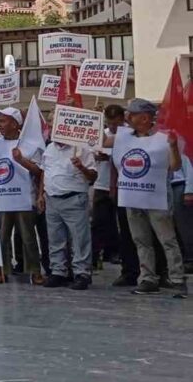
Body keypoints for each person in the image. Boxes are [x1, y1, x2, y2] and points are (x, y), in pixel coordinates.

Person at [105, 98, 186, 297]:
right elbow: (100, 141)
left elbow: (175, 167)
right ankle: (148, 277)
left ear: (144, 117)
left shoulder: (164, 137)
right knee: (140, 239)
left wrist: (174, 147)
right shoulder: (124, 137)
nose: (127, 118)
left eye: (131, 114)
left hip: (156, 196)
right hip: (132, 196)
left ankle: (177, 278)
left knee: (167, 239)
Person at [17, 133, 96, 289]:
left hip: (74, 198)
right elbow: (45, 173)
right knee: (55, 239)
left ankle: (82, 273)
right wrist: (41, 195)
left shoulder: (81, 148)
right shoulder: (50, 148)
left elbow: (93, 175)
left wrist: (81, 167)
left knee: (79, 239)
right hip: (52, 198)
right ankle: (58, 271)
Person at [0, 107, 44, 285]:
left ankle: (35, 271)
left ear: (15, 124)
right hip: (1, 198)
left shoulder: (29, 143)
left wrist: (21, 161)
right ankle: (0, 270)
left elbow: (38, 171)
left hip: (23, 199)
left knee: (28, 238)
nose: (0, 125)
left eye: (3, 121)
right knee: (1, 237)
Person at [91, 106, 125, 278]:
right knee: (99, 222)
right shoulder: (101, 132)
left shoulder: (127, 134)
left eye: (115, 123)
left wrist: (110, 156)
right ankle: (95, 256)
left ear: (122, 119)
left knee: (121, 222)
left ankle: (117, 252)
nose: (112, 127)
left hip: (122, 186)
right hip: (102, 184)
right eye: (109, 123)